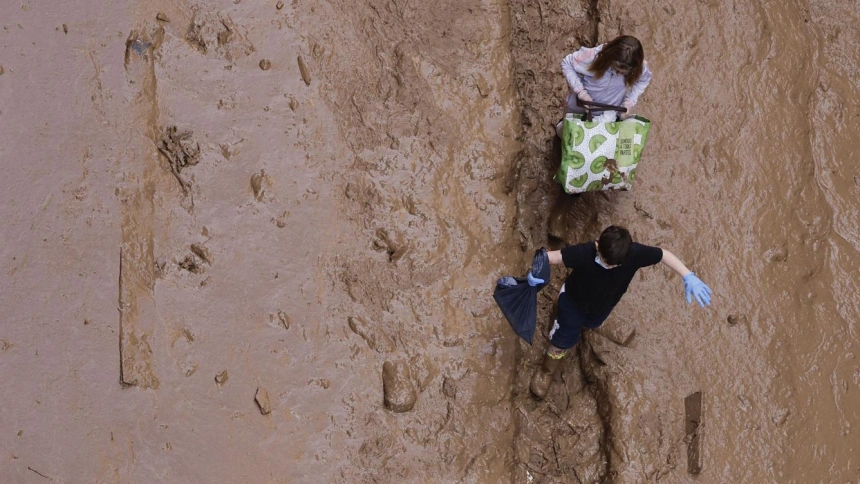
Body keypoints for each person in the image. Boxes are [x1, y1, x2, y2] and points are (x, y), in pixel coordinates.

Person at [525, 226, 712, 399]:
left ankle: (582, 328)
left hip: (602, 307)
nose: (606, 265)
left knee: (592, 323)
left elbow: (663, 255)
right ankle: (546, 371)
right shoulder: (584, 253)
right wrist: (537, 271)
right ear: (598, 245)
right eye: (603, 260)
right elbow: (551, 257)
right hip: (572, 303)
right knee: (561, 340)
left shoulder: (635, 254)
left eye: (612, 265)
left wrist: (687, 275)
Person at [556, 35, 652, 137]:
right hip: (578, 108)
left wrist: (628, 102)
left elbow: (643, 81)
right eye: (615, 69)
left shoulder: (640, 67)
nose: (618, 74)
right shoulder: (594, 56)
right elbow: (567, 63)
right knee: (565, 135)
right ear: (609, 58)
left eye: (624, 73)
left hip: (607, 117)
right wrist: (581, 92)